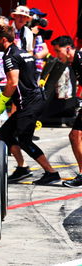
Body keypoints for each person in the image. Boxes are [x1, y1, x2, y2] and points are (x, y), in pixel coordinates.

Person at [0, 25, 60, 185]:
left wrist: (2, 101)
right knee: (5, 133)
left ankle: (51, 173)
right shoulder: (23, 52)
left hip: (30, 103)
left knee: (25, 140)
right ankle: (22, 168)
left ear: (3, 39)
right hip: (33, 100)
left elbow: (13, 82)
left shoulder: (10, 56)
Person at [51, 36, 82, 187]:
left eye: (58, 51)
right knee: (75, 135)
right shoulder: (73, 62)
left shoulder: (80, 59)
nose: (57, 55)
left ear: (68, 48)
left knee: (75, 135)